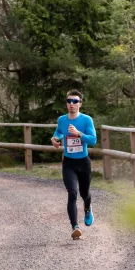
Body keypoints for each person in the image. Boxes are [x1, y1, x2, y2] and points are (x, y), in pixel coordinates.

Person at [51, 90, 97, 240]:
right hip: (69, 163)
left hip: (83, 162)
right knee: (72, 193)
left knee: (84, 193)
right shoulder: (62, 120)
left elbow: (93, 140)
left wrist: (78, 134)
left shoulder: (86, 120)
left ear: (80, 104)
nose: (72, 104)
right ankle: (75, 227)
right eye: (69, 101)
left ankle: (87, 208)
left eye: (75, 101)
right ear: (66, 103)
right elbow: (58, 132)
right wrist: (55, 139)